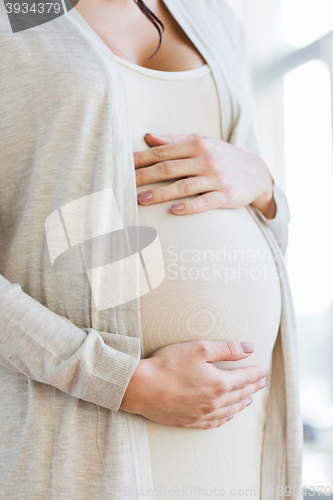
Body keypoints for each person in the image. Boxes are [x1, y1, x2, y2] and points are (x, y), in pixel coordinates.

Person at [0, 0, 302, 499]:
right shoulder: (17, 13)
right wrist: (123, 381)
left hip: (239, 426)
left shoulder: (213, 16)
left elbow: (270, 236)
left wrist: (265, 186)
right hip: (86, 427)